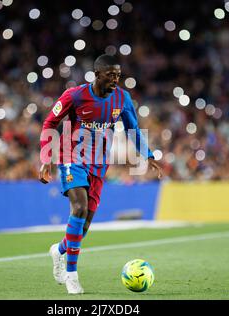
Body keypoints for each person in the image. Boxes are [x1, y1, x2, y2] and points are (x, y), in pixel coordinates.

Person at [39, 54, 163, 294]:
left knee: (83, 227)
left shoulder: (122, 99)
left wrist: (148, 155)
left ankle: (60, 250)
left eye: (118, 75)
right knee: (78, 208)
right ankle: (72, 276)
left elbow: (133, 129)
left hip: (98, 164)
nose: (115, 79)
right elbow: (49, 123)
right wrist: (46, 158)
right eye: (110, 75)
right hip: (71, 158)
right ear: (97, 75)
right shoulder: (75, 95)